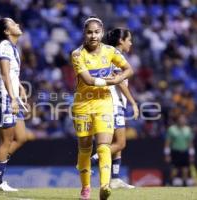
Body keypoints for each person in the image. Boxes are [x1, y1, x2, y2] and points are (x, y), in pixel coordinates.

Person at [71, 16, 133, 200]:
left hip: (105, 104)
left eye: (97, 32)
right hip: (83, 105)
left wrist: (119, 78)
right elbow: (88, 80)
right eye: (89, 32)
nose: (93, 36)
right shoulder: (77, 54)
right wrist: (111, 80)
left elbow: (129, 69)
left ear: (102, 32)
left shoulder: (111, 51)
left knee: (104, 146)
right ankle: (85, 188)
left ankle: (105, 187)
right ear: (84, 33)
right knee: (85, 148)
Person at [0, 17, 32, 192]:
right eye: (12, 24)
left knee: (21, 137)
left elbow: (11, 74)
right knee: (6, 140)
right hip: (2, 97)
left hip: (9, 95)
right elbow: (4, 75)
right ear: (6, 31)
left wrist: (19, 87)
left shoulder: (12, 47)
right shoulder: (4, 47)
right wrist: (12, 99)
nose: (17, 24)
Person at [90, 28, 139, 189]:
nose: (130, 43)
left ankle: (115, 178)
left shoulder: (106, 54)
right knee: (121, 143)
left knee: (115, 143)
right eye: (129, 39)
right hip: (114, 104)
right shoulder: (116, 56)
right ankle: (92, 161)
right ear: (121, 41)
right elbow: (119, 81)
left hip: (109, 103)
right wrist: (133, 102)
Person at [164, 114, 195, 186]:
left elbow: (190, 143)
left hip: (185, 152)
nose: (182, 120)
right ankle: (169, 183)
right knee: (174, 169)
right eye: (181, 118)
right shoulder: (171, 129)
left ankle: (184, 184)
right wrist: (167, 154)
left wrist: (191, 155)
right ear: (177, 120)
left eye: (184, 119)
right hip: (175, 152)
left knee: (185, 169)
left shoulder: (188, 129)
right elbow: (167, 143)